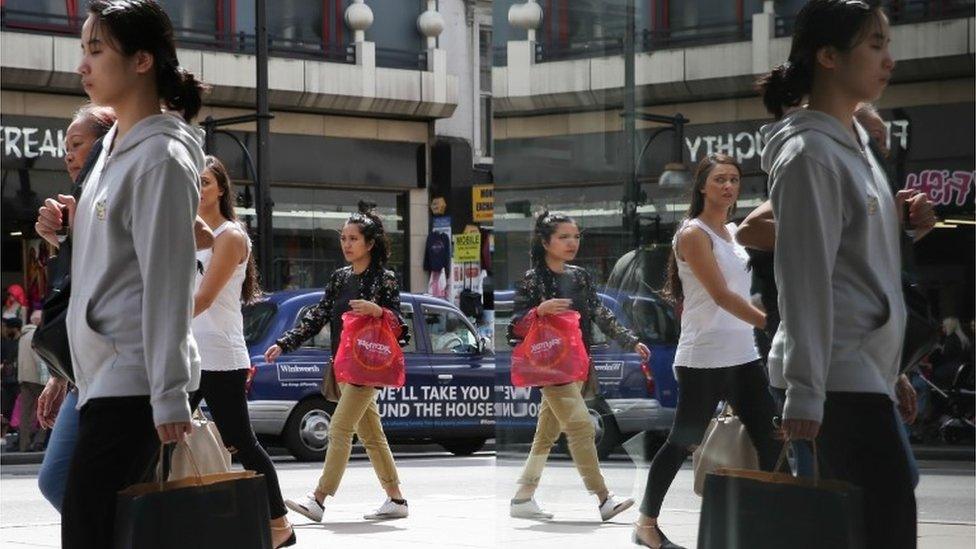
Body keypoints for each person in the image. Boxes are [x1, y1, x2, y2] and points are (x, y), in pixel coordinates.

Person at [756, 1, 936, 546]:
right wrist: (807, 395)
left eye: (887, 45)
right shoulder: (810, 155)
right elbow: (804, 280)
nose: (890, 60)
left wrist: (890, 370)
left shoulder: (851, 146)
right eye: (875, 45)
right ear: (829, 56)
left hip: (858, 379)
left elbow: (854, 271)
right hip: (836, 386)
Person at [33, 1, 207, 545]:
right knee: (98, 525)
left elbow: (168, 281)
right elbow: (118, 252)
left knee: (88, 527)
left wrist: (170, 395)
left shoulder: (160, 157)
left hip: (132, 380)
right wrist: (68, 229)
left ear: (141, 61)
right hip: (101, 377)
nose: (81, 65)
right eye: (83, 49)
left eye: (96, 49)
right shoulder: (112, 146)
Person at [632, 155, 779, 548]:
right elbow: (721, 295)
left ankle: (771, 525)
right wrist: (772, 324)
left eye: (734, 180)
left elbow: (745, 293)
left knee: (771, 438)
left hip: (743, 354)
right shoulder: (693, 234)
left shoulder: (733, 232)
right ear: (702, 187)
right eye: (719, 180)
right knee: (684, 440)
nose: (728, 186)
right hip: (704, 358)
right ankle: (646, 523)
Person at [268, 202, 411, 522]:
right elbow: (318, 317)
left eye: (353, 239)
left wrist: (379, 312)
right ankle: (397, 500)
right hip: (344, 365)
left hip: (369, 367)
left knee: (339, 428)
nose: (346, 244)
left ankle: (319, 499)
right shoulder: (339, 278)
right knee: (372, 435)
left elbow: (402, 328)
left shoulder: (385, 280)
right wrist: (284, 343)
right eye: (343, 238)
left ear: (370, 243)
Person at [507, 211, 649, 522]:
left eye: (576, 236)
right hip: (549, 367)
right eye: (563, 237)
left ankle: (522, 498)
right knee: (583, 429)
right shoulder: (534, 279)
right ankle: (603, 498)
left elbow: (599, 311)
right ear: (546, 242)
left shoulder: (579, 276)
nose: (572, 243)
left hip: (576, 364)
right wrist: (539, 310)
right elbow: (515, 325)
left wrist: (629, 340)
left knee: (545, 436)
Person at [189, 155, 295, 547]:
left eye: (203, 182)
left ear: (219, 189)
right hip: (189, 353)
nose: (197, 189)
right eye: (191, 181)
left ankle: (279, 522)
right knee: (161, 436)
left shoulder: (230, 236)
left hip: (219, 356)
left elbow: (202, 299)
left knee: (240, 441)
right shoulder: (189, 232)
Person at [17, 311, 49, 452]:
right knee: (46, 409)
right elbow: (39, 359)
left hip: (24, 378)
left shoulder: (22, 336)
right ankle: (39, 442)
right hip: (37, 378)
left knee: (25, 412)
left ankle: (23, 445)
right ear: (39, 321)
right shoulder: (36, 334)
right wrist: (45, 379)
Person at [1, 318, 23, 438]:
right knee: (6, 408)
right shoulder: (6, 343)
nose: (6, 330)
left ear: (14, 328)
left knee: (21, 408)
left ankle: (20, 434)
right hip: (7, 381)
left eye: (8, 327)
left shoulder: (22, 342)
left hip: (19, 380)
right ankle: (5, 433)